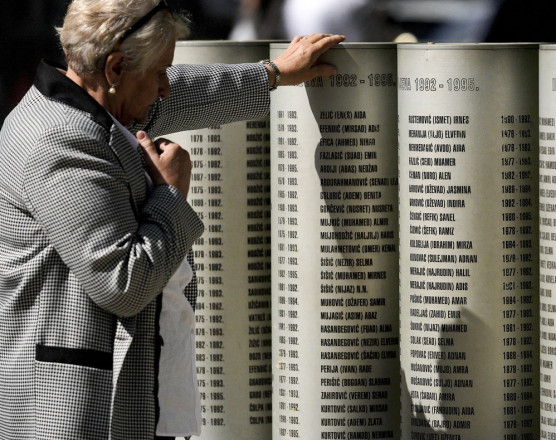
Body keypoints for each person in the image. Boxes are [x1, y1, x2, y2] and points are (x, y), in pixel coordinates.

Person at [0, 1, 344, 439]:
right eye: (159, 71)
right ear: (116, 67)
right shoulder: (62, 144)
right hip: (77, 412)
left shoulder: (97, 100)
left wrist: (273, 74)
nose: (165, 88)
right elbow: (123, 284)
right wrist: (171, 194)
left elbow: (186, 92)